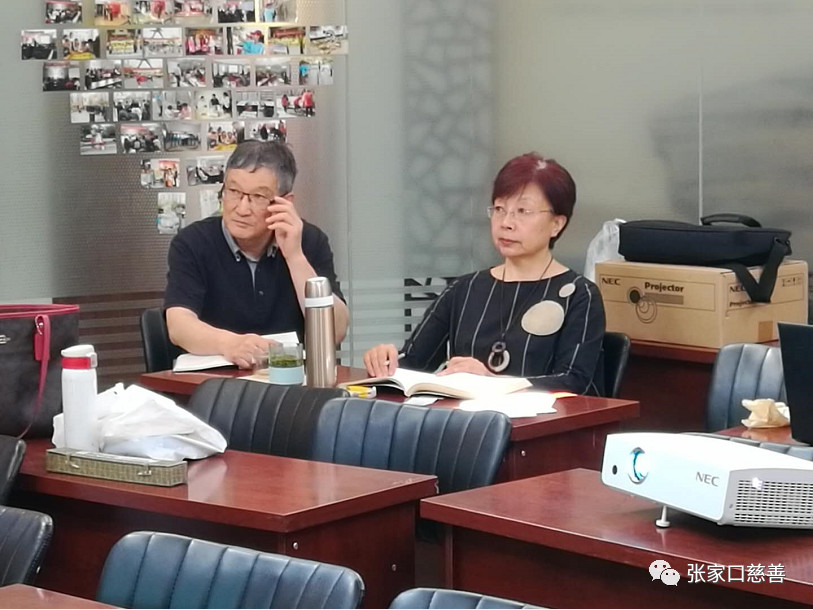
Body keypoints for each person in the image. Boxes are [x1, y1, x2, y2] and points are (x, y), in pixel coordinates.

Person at [363, 152, 606, 395]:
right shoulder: (464, 289)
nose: (506, 222)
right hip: (463, 417)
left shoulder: (579, 295)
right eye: (499, 209)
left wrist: (491, 381)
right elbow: (415, 363)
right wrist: (387, 362)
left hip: (541, 419)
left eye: (523, 211)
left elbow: (574, 382)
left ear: (557, 224)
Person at [164, 140, 349, 369]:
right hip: (216, 383)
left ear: (285, 202)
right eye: (234, 191)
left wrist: (295, 257)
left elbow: (335, 331)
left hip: (293, 381)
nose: (242, 209)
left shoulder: (310, 241)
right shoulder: (193, 242)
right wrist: (231, 344)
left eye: (258, 197)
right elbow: (179, 326)